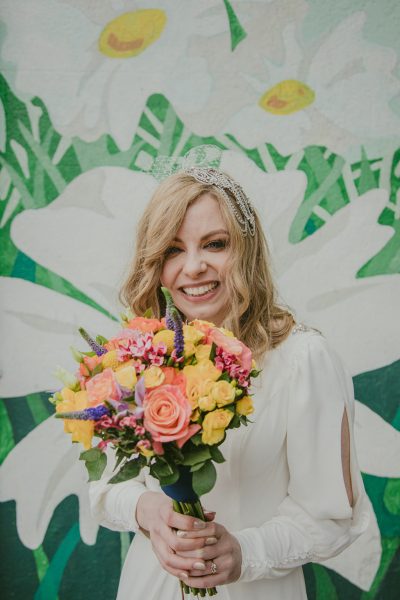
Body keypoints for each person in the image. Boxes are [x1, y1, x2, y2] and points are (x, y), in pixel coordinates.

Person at [89, 166, 370, 600]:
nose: (194, 267)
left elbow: (333, 517)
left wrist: (244, 551)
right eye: (172, 250)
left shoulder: (301, 359)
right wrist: (147, 509)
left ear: (247, 249)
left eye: (215, 244)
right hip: (149, 585)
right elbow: (106, 486)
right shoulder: (138, 358)